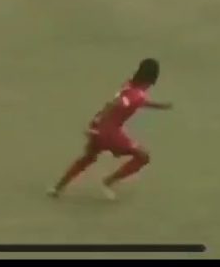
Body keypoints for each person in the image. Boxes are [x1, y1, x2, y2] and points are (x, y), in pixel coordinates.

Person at [48, 58, 173, 200]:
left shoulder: (130, 85)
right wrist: (100, 125)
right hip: (109, 133)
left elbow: (134, 101)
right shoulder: (137, 95)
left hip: (98, 127)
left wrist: (160, 106)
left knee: (87, 158)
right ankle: (108, 181)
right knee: (143, 157)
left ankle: (57, 188)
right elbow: (118, 103)